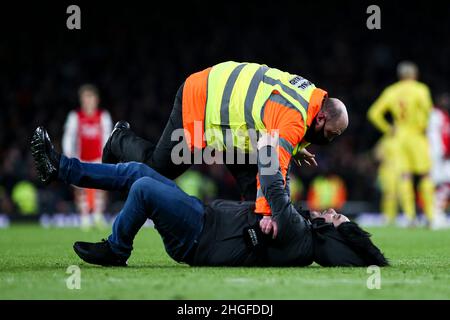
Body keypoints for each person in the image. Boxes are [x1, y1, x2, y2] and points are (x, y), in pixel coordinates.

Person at [31, 127, 387, 268]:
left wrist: (275, 146)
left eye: (335, 217)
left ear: (330, 233)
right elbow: (271, 192)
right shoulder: (300, 233)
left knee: (141, 187)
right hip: (201, 218)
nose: (330, 210)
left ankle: (117, 249)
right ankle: (59, 167)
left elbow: (275, 189)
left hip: (199, 235)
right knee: (136, 173)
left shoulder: (300, 236)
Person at [101, 61, 349, 234]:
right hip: (202, 100)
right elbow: (273, 162)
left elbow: (279, 124)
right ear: (321, 119)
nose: (330, 140)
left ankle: (247, 243)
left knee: (254, 191)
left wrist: (294, 147)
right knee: (160, 168)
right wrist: (267, 214)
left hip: (235, 126)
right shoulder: (295, 119)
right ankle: (119, 137)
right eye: (331, 134)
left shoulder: (312, 100)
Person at [368, 61, 435, 227]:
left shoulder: (392, 91)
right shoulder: (421, 89)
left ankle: (410, 216)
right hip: (417, 135)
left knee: (405, 176)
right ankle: (430, 216)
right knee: (425, 175)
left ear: (400, 76)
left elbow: (373, 113)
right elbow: (429, 112)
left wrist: (388, 128)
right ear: (415, 74)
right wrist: (425, 127)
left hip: (399, 136)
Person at [62, 84, 113, 229]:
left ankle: (98, 215)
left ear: (96, 100)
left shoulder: (103, 116)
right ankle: (84, 217)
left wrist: (107, 155)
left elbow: (107, 136)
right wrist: (68, 155)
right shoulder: (75, 116)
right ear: (81, 100)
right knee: (80, 188)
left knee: (101, 187)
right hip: (80, 157)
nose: (88, 101)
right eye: (85, 98)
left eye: (91, 98)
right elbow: (69, 137)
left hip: (98, 157)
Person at [428, 93, 450, 228]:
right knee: (436, 183)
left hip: (443, 154)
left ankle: (437, 213)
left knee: (444, 183)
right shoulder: (435, 115)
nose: (446, 101)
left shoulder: (443, 115)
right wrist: (441, 150)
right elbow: (435, 135)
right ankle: (434, 215)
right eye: (444, 99)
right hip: (436, 154)